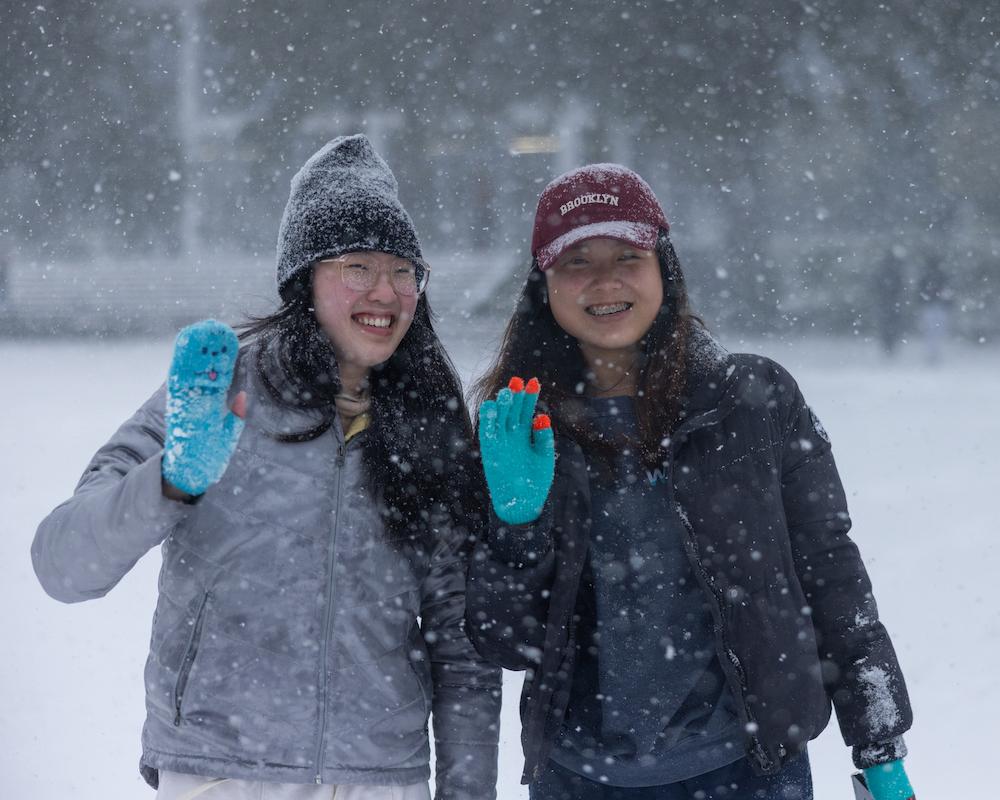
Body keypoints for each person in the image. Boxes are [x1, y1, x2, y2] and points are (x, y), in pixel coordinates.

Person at [32, 135, 501, 800]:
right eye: (357, 266)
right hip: (220, 773)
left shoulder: (428, 421)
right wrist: (172, 478)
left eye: (403, 270)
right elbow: (62, 565)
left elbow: (461, 650)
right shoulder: (216, 393)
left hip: (378, 781)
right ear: (304, 278)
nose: (386, 291)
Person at [465, 164, 915, 800]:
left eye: (628, 255)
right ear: (544, 285)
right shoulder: (519, 427)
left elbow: (833, 577)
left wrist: (880, 745)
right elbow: (505, 642)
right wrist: (515, 528)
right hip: (581, 780)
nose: (606, 281)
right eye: (577, 262)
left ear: (663, 270)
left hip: (751, 770)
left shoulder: (756, 402)